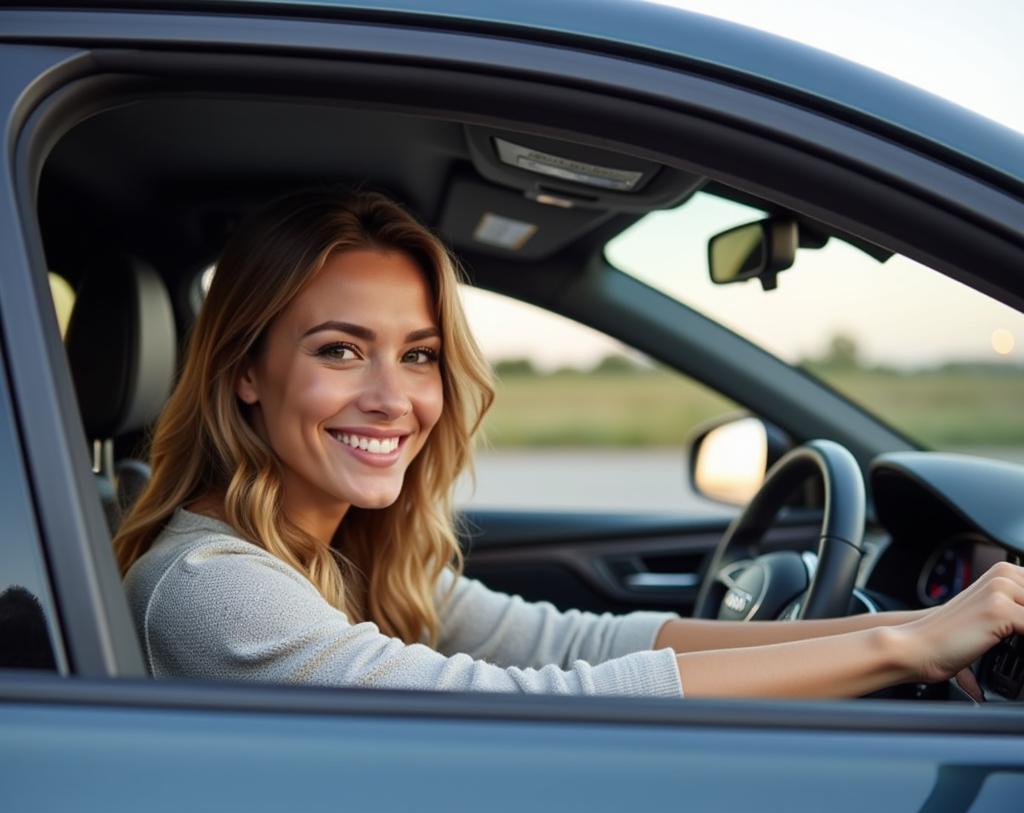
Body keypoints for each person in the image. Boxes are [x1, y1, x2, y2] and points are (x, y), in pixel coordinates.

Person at [117, 189, 1022, 700]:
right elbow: (513, 709)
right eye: (341, 350)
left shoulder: (339, 549)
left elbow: (567, 640)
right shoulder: (213, 586)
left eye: (420, 355)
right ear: (245, 369)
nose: (394, 399)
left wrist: (906, 623)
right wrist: (904, 651)